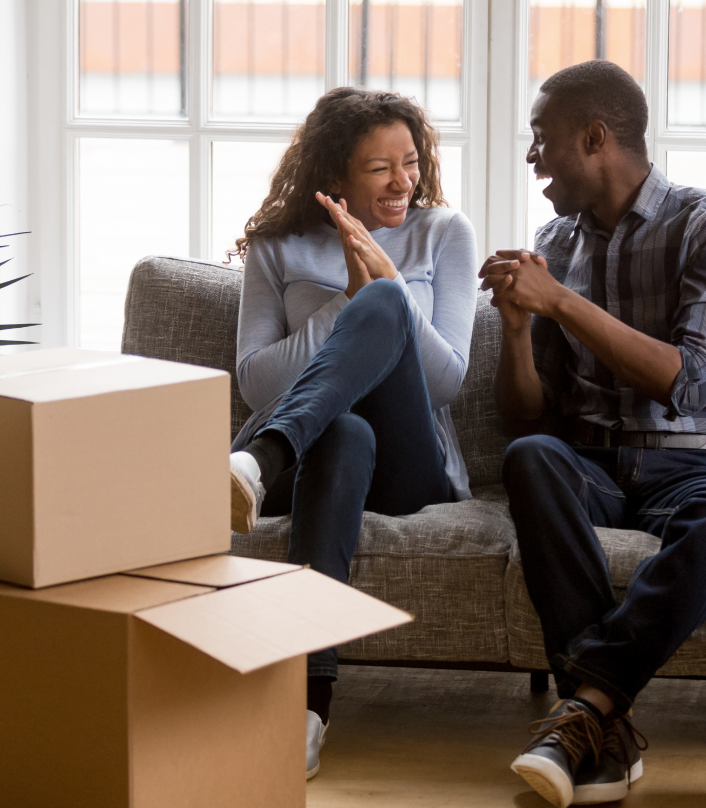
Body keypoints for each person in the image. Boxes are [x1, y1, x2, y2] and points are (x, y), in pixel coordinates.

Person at [480, 60, 706, 807]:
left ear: (595, 137)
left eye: (542, 141)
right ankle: (598, 715)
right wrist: (516, 330)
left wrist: (562, 304)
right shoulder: (556, 240)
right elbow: (528, 414)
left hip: (693, 463)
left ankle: (584, 707)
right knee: (531, 457)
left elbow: (693, 380)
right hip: (592, 464)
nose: (533, 158)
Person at [227, 86, 478, 780]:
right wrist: (343, 297)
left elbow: (449, 381)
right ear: (336, 175)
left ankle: (258, 458)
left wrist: (384, 286)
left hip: (411, 466)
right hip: (320, 456)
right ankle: (310, 709)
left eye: (411, 162)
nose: (403, 181)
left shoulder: (444, 233)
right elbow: (255, 382)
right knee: (343, 435)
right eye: (379, 168)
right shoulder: (278, 247)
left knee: (387, 300)